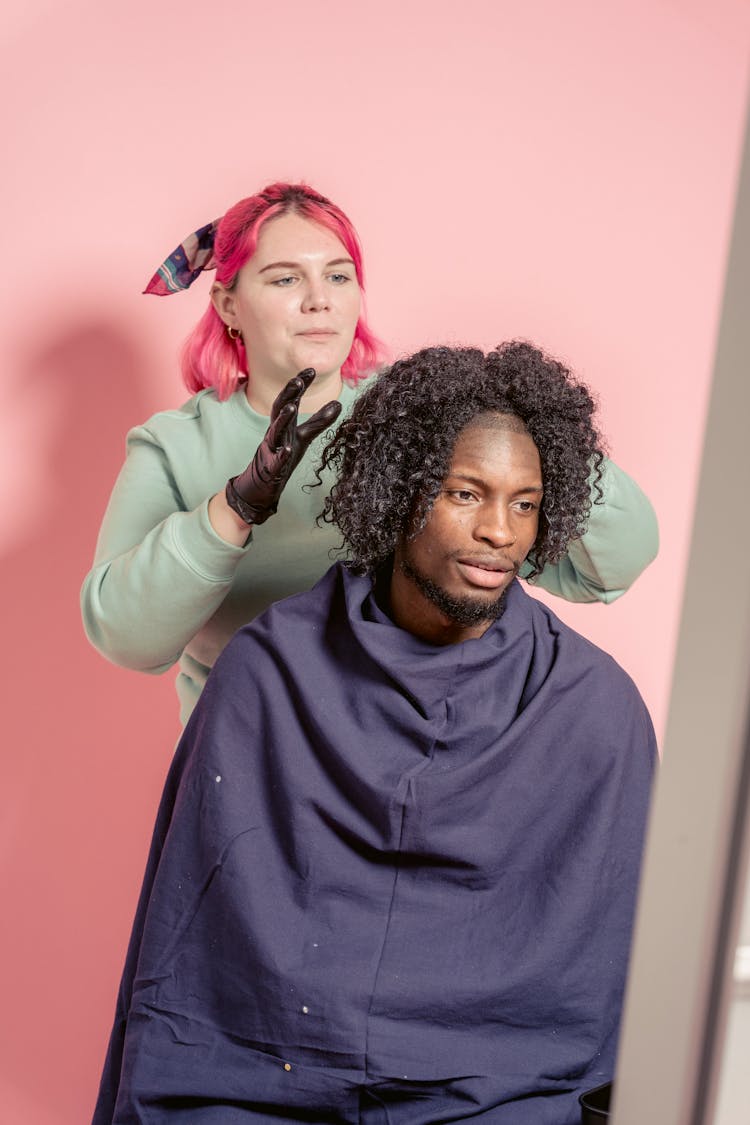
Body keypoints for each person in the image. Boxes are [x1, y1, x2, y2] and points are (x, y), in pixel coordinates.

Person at [93, 343, 657, 1124]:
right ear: (400, 490)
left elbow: (611, 1002)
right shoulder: (269, 671)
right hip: (264, 1081)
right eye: (467, 493)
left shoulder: (593, 711)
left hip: (493, 1093)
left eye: (524, 503)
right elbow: (191, 965)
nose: (499, 531)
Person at [80, 182, 659, 726]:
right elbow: (129, 640)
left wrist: (532, 421)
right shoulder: (173, 447)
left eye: (338, 276)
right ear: (228, 304)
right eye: (285, 280)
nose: (318, 301)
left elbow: (610, 567)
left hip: (412, 742)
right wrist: (233, 509)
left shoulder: (418, 419)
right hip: (251, 751)